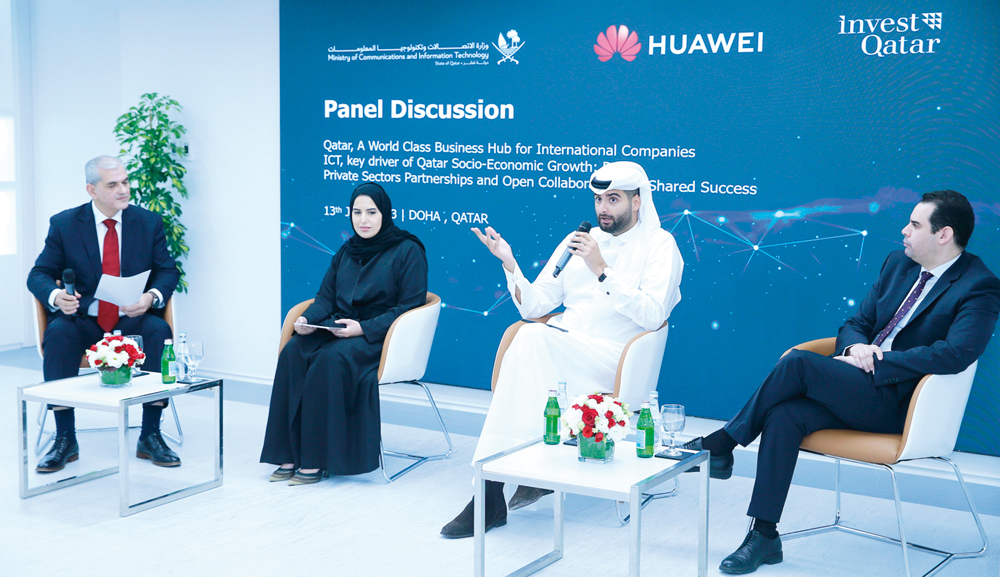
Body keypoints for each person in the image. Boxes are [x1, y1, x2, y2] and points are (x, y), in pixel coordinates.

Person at [684, 190, 1000, 574]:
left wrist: (880, 358)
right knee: (784, 414)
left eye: (915, 225)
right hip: (854, 385)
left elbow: (956, 354)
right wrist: (855, 351)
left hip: (899, 403)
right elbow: (856, 324)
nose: (904, 231)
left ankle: (722, 443)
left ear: (944, 235)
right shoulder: (898, 264)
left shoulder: (979, 286)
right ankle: (764, 535)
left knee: (799, 364)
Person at [440, 161, 684, 538]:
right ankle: (501, 487)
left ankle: (496, 491)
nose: (602, 208)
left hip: (613, 357)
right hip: (562, 345)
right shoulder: (578, 240)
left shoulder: (660, 246)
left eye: (613, 199)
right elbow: (535, 306)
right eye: (598, 199)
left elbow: (653, 316)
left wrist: (602, 269)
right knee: (530, 333)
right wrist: (510, 263)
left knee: (531, 339)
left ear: (637, 202)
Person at [260, 182, 428, 485]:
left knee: (329, 359)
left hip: (382, 338)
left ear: (385, 213)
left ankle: (315, 460)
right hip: (341, 328)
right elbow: (325, 297)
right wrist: (308, 319)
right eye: (357, 212)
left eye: (371, 212)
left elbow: (410, 306)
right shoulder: (347, 250)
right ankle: (288, 452)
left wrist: (363, 328)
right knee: (294, 351)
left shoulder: (408, 250)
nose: (363, 220)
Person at [27, 155, 182, 472]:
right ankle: (64, 437)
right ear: (91, 189)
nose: (123, 190)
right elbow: (38, 274)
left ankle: (150, 434)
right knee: (57, 334)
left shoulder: (148, 222)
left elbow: (168, 272)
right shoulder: (65, 224)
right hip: (83, 320)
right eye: (113, 185)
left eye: (125, 182)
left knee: (157, 332)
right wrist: (57, 296)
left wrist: (150, 296)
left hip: (131, 319)